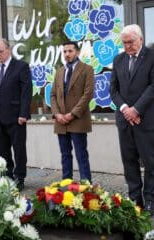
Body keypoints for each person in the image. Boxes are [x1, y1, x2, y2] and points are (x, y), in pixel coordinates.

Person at [110, 24, 154, 214]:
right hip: (125, 121)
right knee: (129, 161)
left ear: (140, 39)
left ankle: (150, 199)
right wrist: (126, 109)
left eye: (130, 42)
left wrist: (136, 110)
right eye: (124, 43)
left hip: (147, 120)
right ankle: (135, 198)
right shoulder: (118, 60)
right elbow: (113, 90)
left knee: (150, 162)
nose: (127, 47)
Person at [0, 39, 32, 190]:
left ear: (8, 50)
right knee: (2, 150)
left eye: (0, 51)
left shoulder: (21, 67)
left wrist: (23, 114)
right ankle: (7, 176)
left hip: (16, 117)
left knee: (19, 150)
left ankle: (19, 177)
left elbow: (26, 92)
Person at [50, 41, 94, 182]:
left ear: (78, 52)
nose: (67, 54)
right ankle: (66, 185)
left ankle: (86, 186)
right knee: (65, 155)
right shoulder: (60, 71)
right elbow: (53, 95)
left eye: (70, 51)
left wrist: (72, 114)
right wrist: (57, 114)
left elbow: (88, 94)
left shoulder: (87, 69)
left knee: (81, 155)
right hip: (61, 121)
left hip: (78, 120)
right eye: (64, 51)